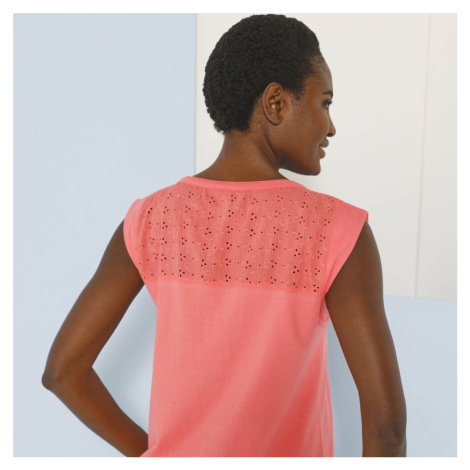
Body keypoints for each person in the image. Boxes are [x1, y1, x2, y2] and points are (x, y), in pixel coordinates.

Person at [42, 14, 407, 457]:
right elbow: (387, 429)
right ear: (276, 103)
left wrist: (156, 455)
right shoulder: (338, 231)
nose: (330, 126)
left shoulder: (149, 220)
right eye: (324, 102)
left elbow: (63, 372)